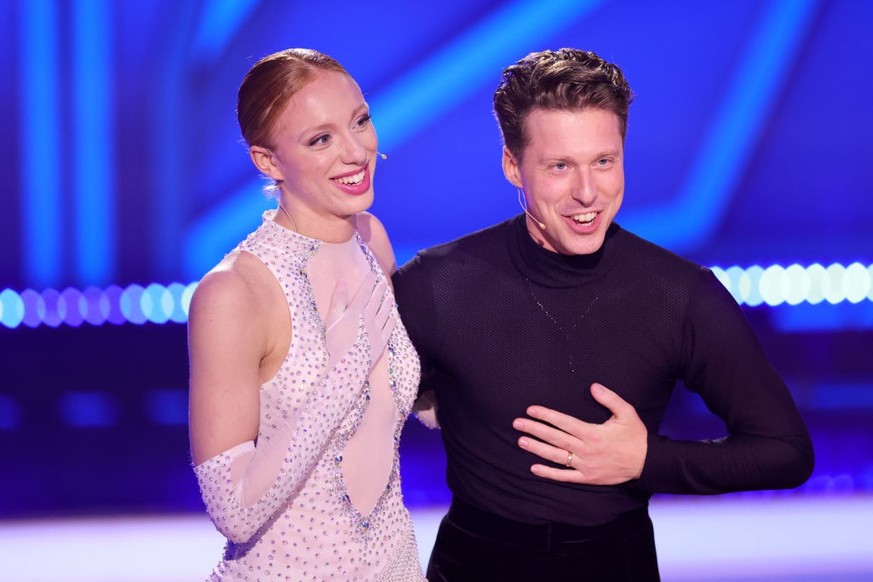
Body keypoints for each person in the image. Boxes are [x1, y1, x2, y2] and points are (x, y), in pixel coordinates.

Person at [393, 48, 814, 581]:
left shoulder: (680, 294)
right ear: (512, 166)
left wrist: (647, 461)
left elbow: (785, 451)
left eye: (604, 161)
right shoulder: (437, 284)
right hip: (472, 565)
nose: (587, 192)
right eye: (560, 166)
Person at [188, 48, 425, 581]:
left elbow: (392, 403)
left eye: (360, 121)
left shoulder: (371, 240)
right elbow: (235, 511)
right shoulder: (234, 293)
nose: (356, 151)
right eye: (321, 140)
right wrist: (342, 372)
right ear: (267, 161)